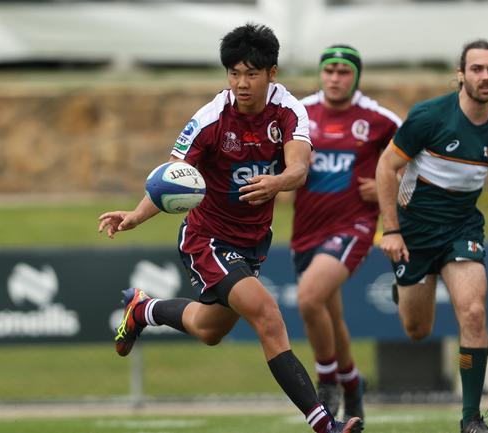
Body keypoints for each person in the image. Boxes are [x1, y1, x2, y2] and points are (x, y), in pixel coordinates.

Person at [98, 24, 362, 433]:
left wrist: (278, 182)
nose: (241, 83)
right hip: (207, 238)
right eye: (234, 73)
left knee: (208, 329)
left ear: (272, 73)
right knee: (268, 315)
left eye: (251, 74)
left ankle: (143, 309)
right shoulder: (210, 119)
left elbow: (298, 166)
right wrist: (134, 215)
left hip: (252, 242)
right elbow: (173, 178)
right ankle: (324, 424)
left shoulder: (290, 111)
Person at [375, 39, 488, 433]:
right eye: (477, 69)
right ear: (461, 75)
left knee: (474, 312)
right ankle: (404, 287)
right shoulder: (429, 117)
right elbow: (386, 169)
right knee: (417, 330)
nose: (485, 76)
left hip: (462, 229)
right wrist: (391, 230)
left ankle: (471, 418)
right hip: (414, 233)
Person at [292, 45, 401, 420]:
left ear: (357, 76)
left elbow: (421, 162)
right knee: (327, 313)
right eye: (329, 71)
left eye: (343, 71)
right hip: (306, 228)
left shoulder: (379, 118)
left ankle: (327, 382)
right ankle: (353, 381)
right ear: (321, 74)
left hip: (352, 226)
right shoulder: (299, 113)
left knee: (308, 298)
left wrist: (392, 187)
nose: (335, 78)